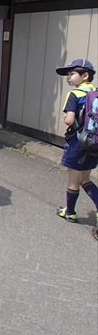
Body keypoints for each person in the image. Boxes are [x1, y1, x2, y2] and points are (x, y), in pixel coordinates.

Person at [54, 59, 98, 236]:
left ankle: (70, 212)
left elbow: (70, 120)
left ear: (85, 75)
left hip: (78, 142)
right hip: (94, 143)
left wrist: (65, 119)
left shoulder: (75, 94)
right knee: (85, 178)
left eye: (72, 73)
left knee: (73, 179)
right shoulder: (96, 93)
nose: (68, 77)